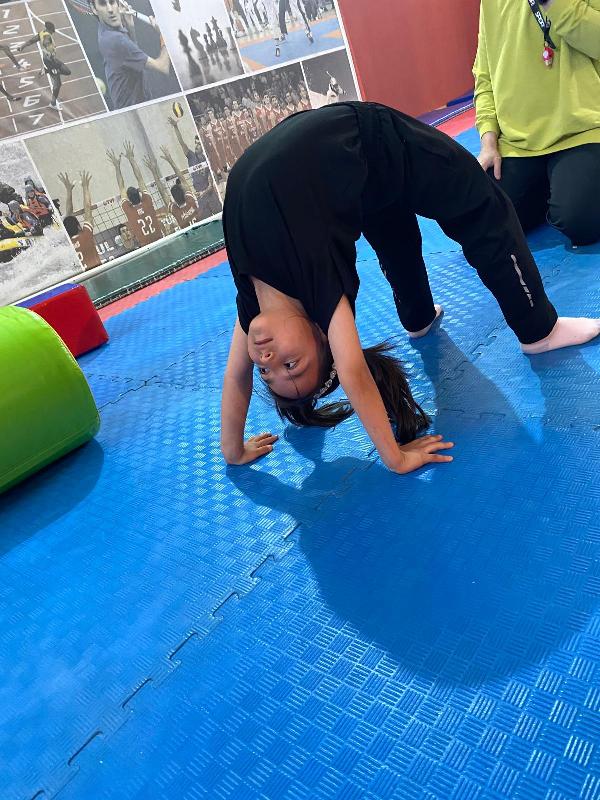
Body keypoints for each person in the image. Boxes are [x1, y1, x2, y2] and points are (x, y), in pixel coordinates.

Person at [220, 102, 600, 473]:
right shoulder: (320, 290)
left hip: (350, 159)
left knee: (388, 222)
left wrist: (233, 450)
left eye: (267, 372)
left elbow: (237, 375)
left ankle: (419, 317)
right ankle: (539, 330)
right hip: (376, 144)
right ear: (321, 334)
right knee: (481, 204)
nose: (266, 359)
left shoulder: (253, 306)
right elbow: (352, 371)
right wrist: (396, 458)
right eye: (289, 365)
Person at [474, 0, 600, 245]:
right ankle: (555, 185)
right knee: (484, 221)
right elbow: (484, 75)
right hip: (518, 143)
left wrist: (552, 3)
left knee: (580, 222)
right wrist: (488, 141)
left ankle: (567, 187)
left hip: (583, 130)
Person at [89, 0, 173, 109]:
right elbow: (162, 67)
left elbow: (131, 52)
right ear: (94, 9)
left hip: (136, 103)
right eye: (103, 4)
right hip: (137, 109)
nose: (110, 9)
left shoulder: (104, 30)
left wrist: (130, 25)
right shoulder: (116, 40)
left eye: (112, 2)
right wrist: (164, 34)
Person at [107, 142, 163, 246]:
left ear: (129, 199)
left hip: (146, 247)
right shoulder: (147, 201)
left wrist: (117, 166)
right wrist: (131, 159)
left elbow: (121, 186)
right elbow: (140, 179)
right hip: (161, 241)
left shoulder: (129, 210)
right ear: (139, 194)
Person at [18, 21, 70, 110]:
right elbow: (46, 42)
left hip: (51, 60)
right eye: (53, 29)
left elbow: (31, 41)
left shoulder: (41, 33)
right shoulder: (46, 36)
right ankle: (53, 104)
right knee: (57, 84)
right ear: (50, 29)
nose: (54, 31)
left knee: (67, 71)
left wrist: (22, 46)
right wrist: (48, 50)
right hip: (50, 62)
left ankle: (46, 70)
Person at [58, 170, 102, 270]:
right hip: (99, 271)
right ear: (78, 226)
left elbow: (68, 215)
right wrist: (85, 186)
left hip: (84, 276)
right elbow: (87, 207)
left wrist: (69, 190)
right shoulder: (86, 234)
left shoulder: (68, 243)